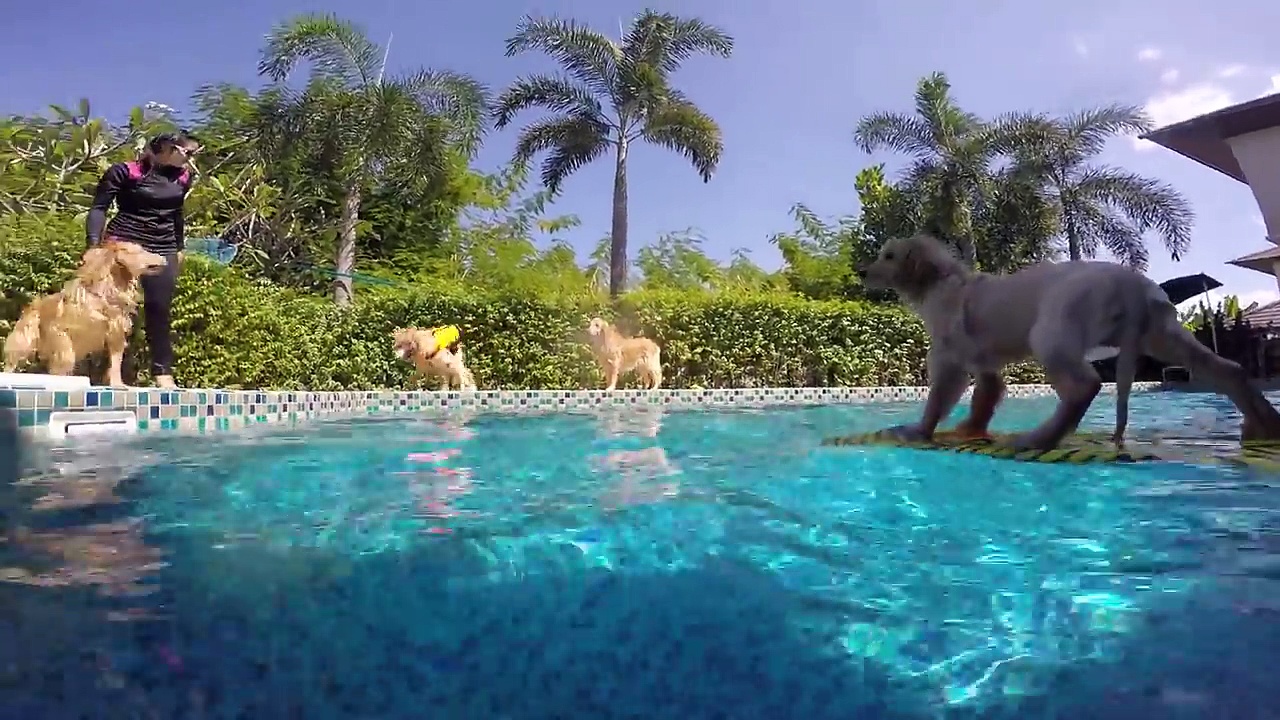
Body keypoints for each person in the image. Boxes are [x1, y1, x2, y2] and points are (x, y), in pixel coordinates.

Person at [86, 131, 200, 389]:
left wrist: (178, 247)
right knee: (113, 308)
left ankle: (162, 372)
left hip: (163, 246)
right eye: (189, 153)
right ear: (169, 149)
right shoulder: (126, 171)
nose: (192, 160)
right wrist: (94, 246)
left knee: (159, 308)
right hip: (124, 244)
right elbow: (99, 207)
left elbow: (177, 213)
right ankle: (110, 372)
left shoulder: (183, 177)